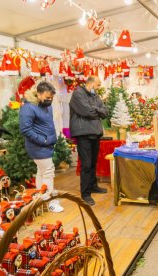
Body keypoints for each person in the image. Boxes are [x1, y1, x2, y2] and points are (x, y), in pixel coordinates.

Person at [19, 80, 64, 213]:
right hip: (37, 146)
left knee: (42, 171)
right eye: (47, 97)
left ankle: (41, 197)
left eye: (51, 98)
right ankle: (49, 201)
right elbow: (25, 130)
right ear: (38, 94)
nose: (49, 100)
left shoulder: (46, 106)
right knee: (48, 171)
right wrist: (43, 140)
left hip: (46, 144)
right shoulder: (28, 107)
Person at [69, 76, 109, 206]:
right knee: (86, 164)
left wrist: (96, 110)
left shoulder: (95, 95)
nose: (98, 88)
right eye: (97, 85)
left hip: (95, 132)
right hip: (83, 133)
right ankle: (85, 194)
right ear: (90, 84)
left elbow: (105, 111)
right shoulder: (77, 94)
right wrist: (97, 110)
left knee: (93, 162)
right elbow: (86, 111)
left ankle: (93, 186)